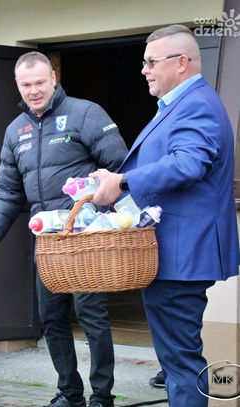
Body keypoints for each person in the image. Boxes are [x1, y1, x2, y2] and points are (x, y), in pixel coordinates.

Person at [90, 25, 240, 406]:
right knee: (177, 361)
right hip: (176, 255)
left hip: (180, 257)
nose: (144, 70)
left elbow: (188, 164)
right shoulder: (183, 104)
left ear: (182, 62)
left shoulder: (195, 104)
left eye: (151, 62)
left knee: (180, 363)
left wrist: (122, 182)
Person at [0, 51, 128, 407]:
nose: (34, 91)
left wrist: (110, 214)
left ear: (54, 79)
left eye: (40, 82)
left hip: (85, 237)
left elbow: (120, 168)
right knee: (51, 317)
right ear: (18, 85)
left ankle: (102, 395)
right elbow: (8, 191)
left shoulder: (85, 113)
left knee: (92, 316)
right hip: (47, 241)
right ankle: (70, 393)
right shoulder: (15, 131)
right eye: (26, 84)